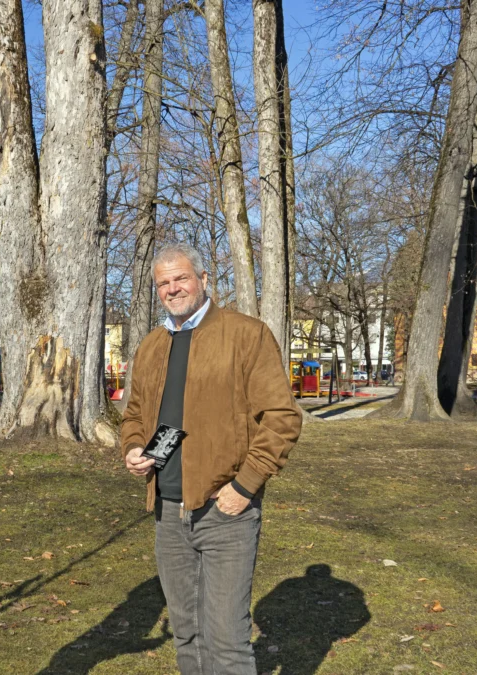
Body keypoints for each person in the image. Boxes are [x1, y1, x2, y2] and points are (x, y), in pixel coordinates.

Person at [121, 243, 302, 675]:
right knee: (186, 634)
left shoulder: (246, 334)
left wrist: (245, 485)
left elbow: (281, 418)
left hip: (225, 510)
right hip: (168, 512)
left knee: (227, 641)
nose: (172, 289)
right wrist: (133, 446)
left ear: (204, 279)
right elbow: (135, 414)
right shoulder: (152, 345)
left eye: (181, 278)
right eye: (163, 283)